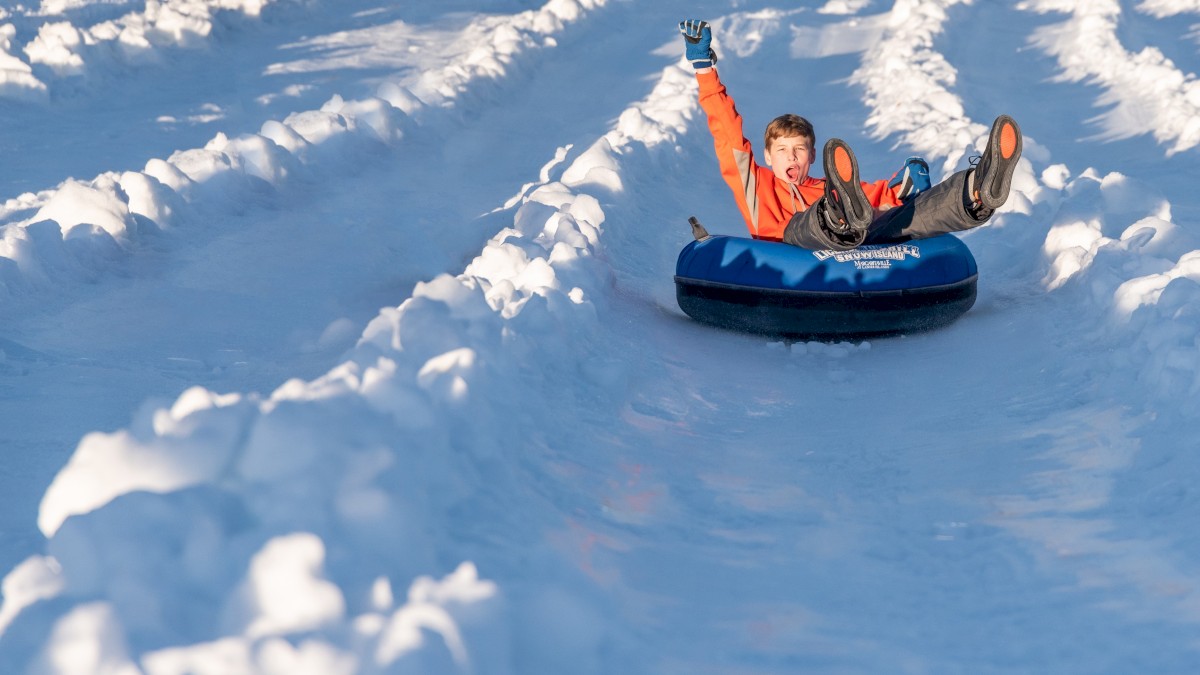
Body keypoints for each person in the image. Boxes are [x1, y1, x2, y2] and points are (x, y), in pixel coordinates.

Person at [679, 19, 1022, 252]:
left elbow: (875, 196)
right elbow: (727, 136)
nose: (792, 157)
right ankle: (837, 217)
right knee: (810, 222)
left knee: (905, 218)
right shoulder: (756, 187)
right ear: (768, 157)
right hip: (789, 249)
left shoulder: (823, 186)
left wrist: (902, 188)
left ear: (813, 157)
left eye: (800, 149)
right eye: (782, 150)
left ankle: (976, 191)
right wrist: (705, 70)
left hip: (851, 236)